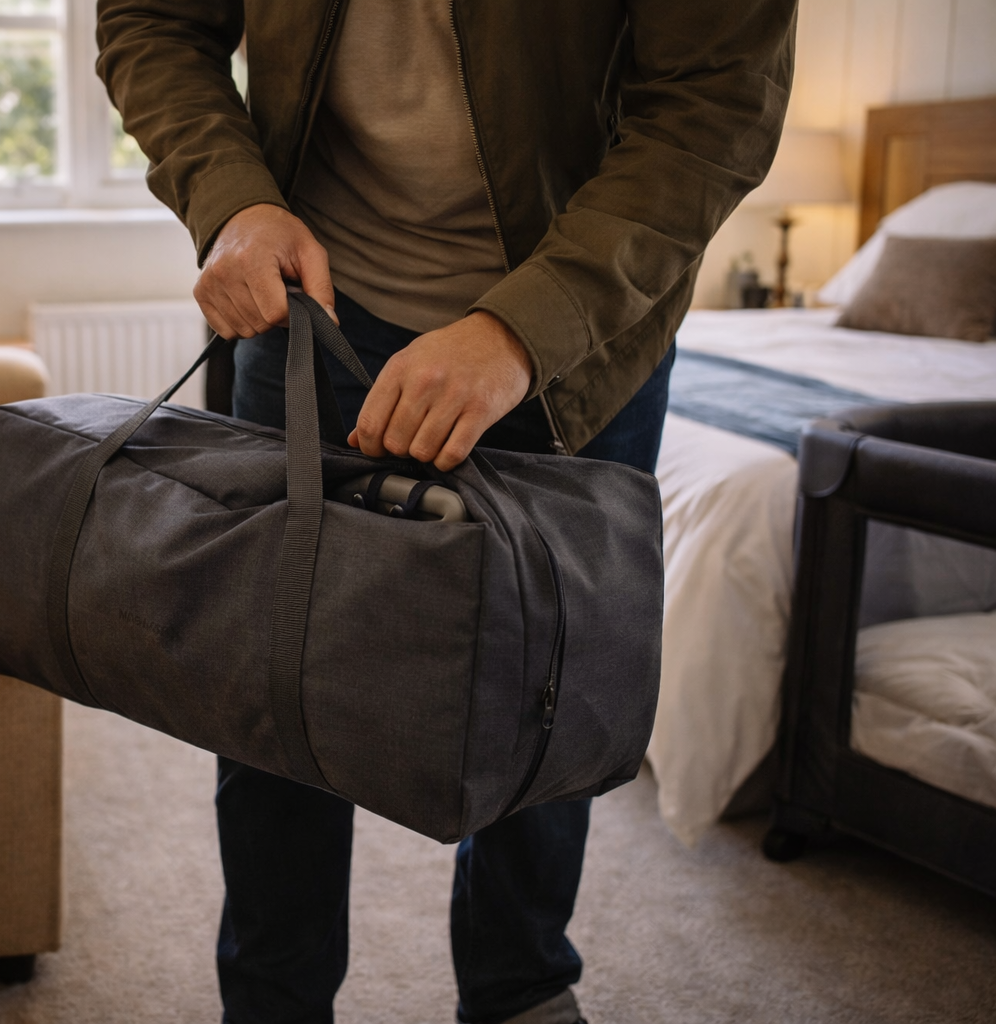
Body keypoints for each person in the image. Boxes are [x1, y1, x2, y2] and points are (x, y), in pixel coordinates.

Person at [97, 3, 794, 1022]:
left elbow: (713, 105)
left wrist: (522, 329)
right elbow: (152, 19)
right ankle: (271, 1000)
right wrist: (232, 198)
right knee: (274, 688)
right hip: (318, 315)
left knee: (551, 690)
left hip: (585, 328)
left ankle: (521, 988)